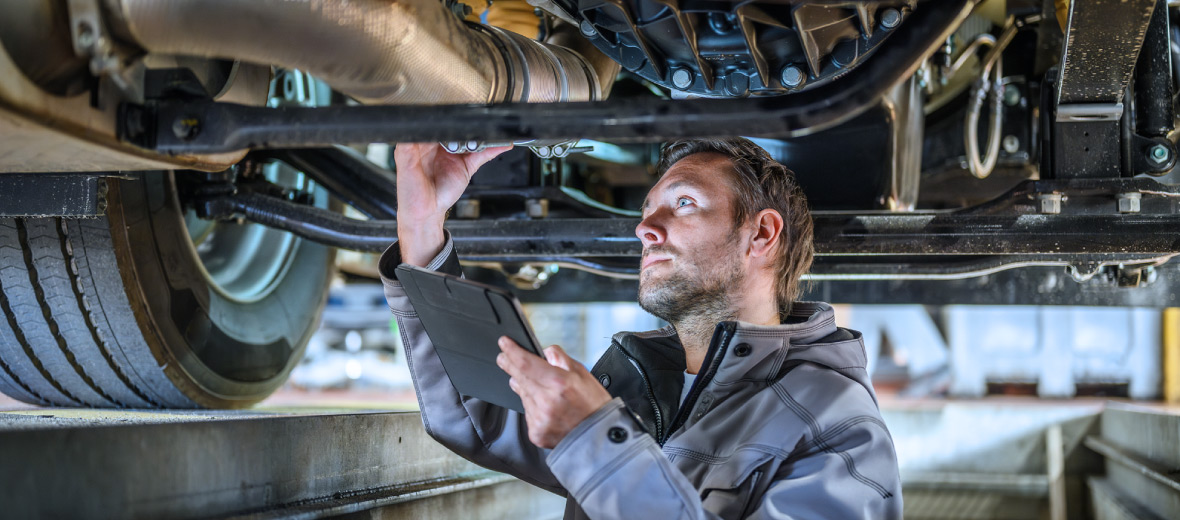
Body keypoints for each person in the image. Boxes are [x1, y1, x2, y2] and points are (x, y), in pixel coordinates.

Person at [380, 138, 903, 519]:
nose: (645, 229)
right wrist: (421, 226)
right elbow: (478, 415)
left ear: (762, 233)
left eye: (684, 203)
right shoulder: (638, 380)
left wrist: (596, 440)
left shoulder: (838, 429)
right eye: (648, 209)